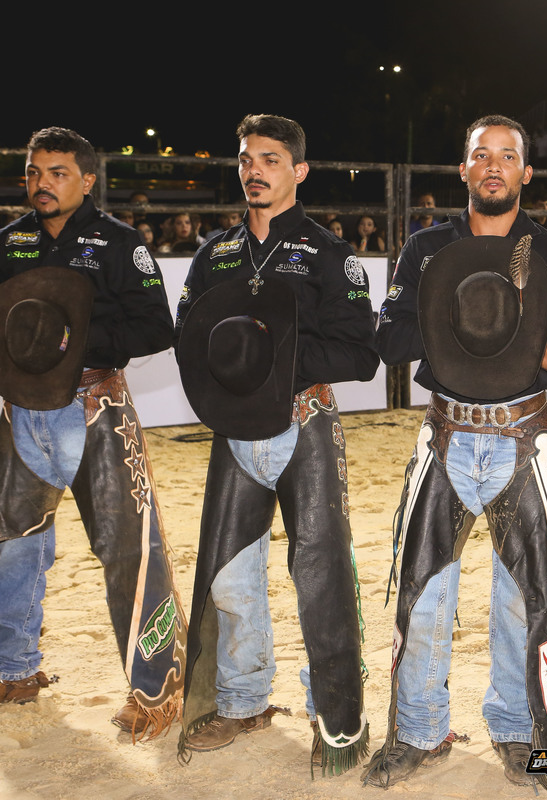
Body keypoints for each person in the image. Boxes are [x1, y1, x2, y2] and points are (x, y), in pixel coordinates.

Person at [366, 114, 547, 791]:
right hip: (445, 433)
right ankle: (417, 731)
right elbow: (390, 341)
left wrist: (504, 319)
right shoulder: (427, 248)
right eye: (481, 155)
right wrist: (460, 309)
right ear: (463, 169)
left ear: (527, 172)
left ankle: (525, 737)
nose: (494, 166)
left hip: (524, 435)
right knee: (422, 592)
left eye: (508, 156)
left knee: (528, 597)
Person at [174, 114, 378, 775]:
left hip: (304, 426)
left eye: (269, 159)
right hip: (235, 432)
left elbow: (361, 354)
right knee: (230, 578)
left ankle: (337, 720)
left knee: (320, 578)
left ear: (299, 171)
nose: (254, 170)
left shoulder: (330, 253)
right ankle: (242, 702)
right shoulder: (215, 254)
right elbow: (188, 338)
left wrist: (275, 357)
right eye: (245, 159)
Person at [0, 127, 185, 741]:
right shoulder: (11, 241)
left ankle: (157, 687)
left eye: (57, 173)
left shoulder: (120, 243)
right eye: (34, 172)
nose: (42, 183)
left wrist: (72, 342)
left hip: (94, 405)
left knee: (129, 548)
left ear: (86, 179)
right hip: (22, 408)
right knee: (13, 541)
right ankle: (13, 669)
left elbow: (156, 327)